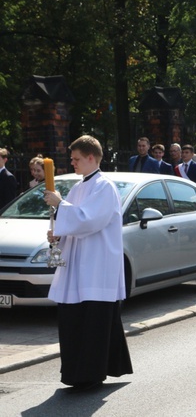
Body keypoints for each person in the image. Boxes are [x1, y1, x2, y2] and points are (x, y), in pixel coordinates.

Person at [42, 135, 132, 392]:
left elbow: (89, 220)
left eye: (76, 159)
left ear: (91, 158)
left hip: (96, 266)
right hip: (78, 265)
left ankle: (90, 374)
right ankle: (77, 372)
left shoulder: (104, 187)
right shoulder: (78, 187)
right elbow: (73, 220)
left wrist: (60, 205)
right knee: (75, 319)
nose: (72, 163)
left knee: (93, 321)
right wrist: (59, 232)